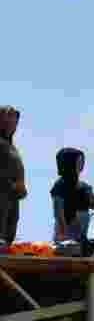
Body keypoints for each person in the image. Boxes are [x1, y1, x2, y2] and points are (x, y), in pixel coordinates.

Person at [51, 148, 94, 243]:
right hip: (67, 228)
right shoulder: (60, 184)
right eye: (78, 162)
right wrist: (63, 231)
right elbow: (58, 210)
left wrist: (90, 193)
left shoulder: (84, 186)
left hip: (81, 228)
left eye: (82, 161)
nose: (81, 165)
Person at [0, 105, 26, 245]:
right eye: (8, 119)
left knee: (8, 237)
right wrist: (10, 184)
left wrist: (20, 187)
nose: (13, 123)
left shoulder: (10, 146)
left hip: (12, 197)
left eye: (15, 120)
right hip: (3, 194)